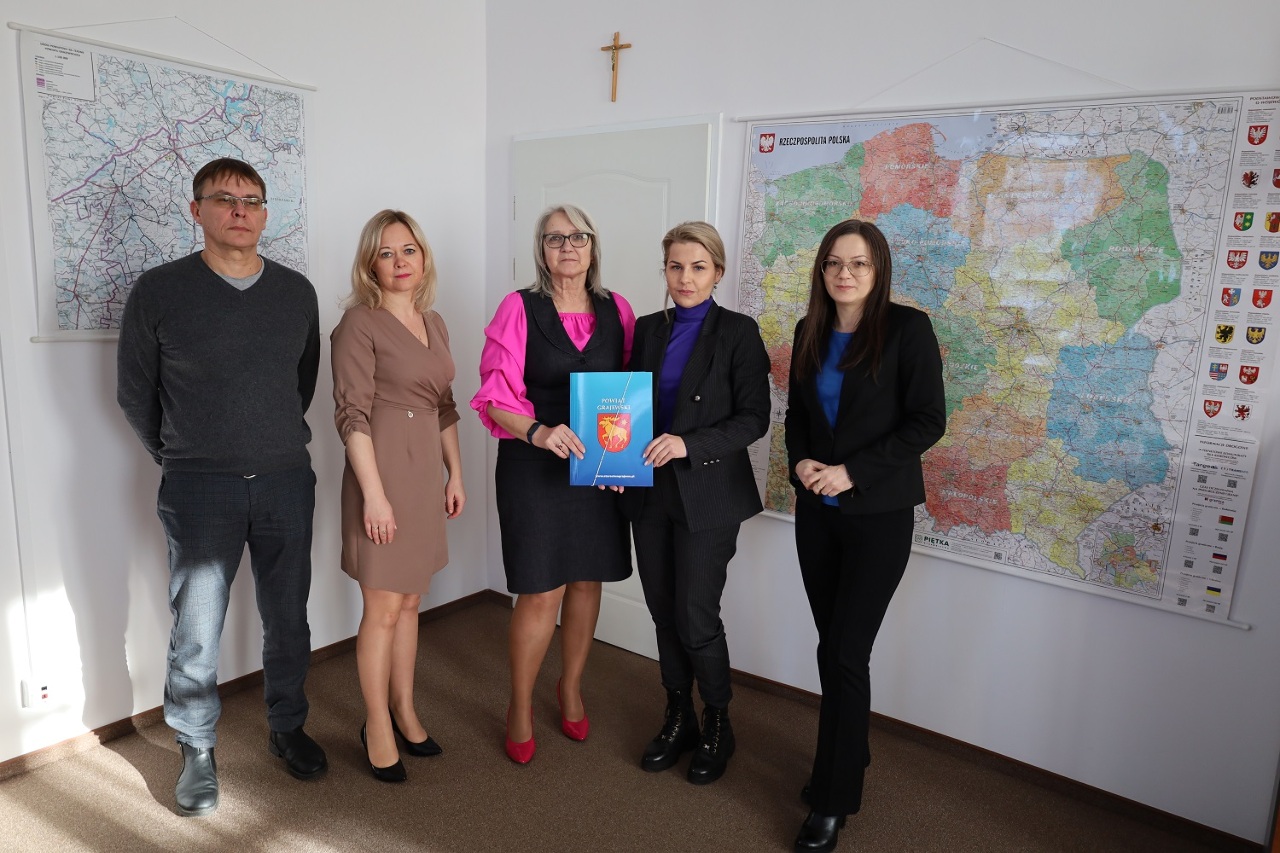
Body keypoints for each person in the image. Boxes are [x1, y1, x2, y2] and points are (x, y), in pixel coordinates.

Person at [116, 157, 325, 817]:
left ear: (265, 213)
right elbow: (134, 392)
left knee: (288, 616)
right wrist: (182, 455)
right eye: (225, 198)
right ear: (196, 209)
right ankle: (197, 747)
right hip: (199, 486)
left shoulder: (296, 292)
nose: (240, 210)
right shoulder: (159, 290)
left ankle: (286, 725)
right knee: (198, 629)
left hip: (286, 479)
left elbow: (301, 384)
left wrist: (268, 440)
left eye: (252, 200)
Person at [784, 219, 945, 852]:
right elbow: (798, 416)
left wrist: (852, 472)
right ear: (821, 271)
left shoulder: (908, 329)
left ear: (878, 271)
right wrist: (801, 462)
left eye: (858, 263)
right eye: (833, 262)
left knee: (846, 653)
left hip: (878, 516)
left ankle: (833, 799)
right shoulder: (810, 329)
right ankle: (850, 752)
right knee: (833, 646)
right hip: (817, 514)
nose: (844, 273)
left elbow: (927, 421)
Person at [471, 203, 635, 764]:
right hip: (533, 465)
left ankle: (570, 687)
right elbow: (494, 397)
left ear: (593, 246)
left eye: (578, 236)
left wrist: (622, 459)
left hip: (598, 468)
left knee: (587, 581)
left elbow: (628, 391)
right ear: (541, 250)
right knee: (541, 590)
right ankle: (519, 704)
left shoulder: (618, 309)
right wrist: (538, 432)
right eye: (554, 238)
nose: (568, 246)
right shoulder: (519, 308)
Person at [618, 222, 770, 784]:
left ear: (718, 273)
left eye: (698, 267)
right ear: (664, 270)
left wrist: (689, 444)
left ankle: (718, 722)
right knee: (663, 610)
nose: (685, 278)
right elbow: (626, 407)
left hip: (708, 495)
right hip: (649, 492)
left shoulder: (738, 332)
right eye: (676, 266)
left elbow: (754, 418)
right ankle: (678, 714)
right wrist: (614, 461)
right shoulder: (648, 329)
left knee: (696, 615)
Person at [331, 210, 465, 783]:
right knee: (382, 609)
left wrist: (454, 474)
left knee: (411, 603)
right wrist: (374, 497)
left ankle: (406, 710)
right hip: (381, 475)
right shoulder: (357, 324)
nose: (399, 261)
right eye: (386, 253)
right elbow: (351, 415)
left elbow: (444, 406)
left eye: (408, 249)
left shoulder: (435, 322)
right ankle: (376, 724)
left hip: (423, 475)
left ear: (423, 257)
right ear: (370, 265)